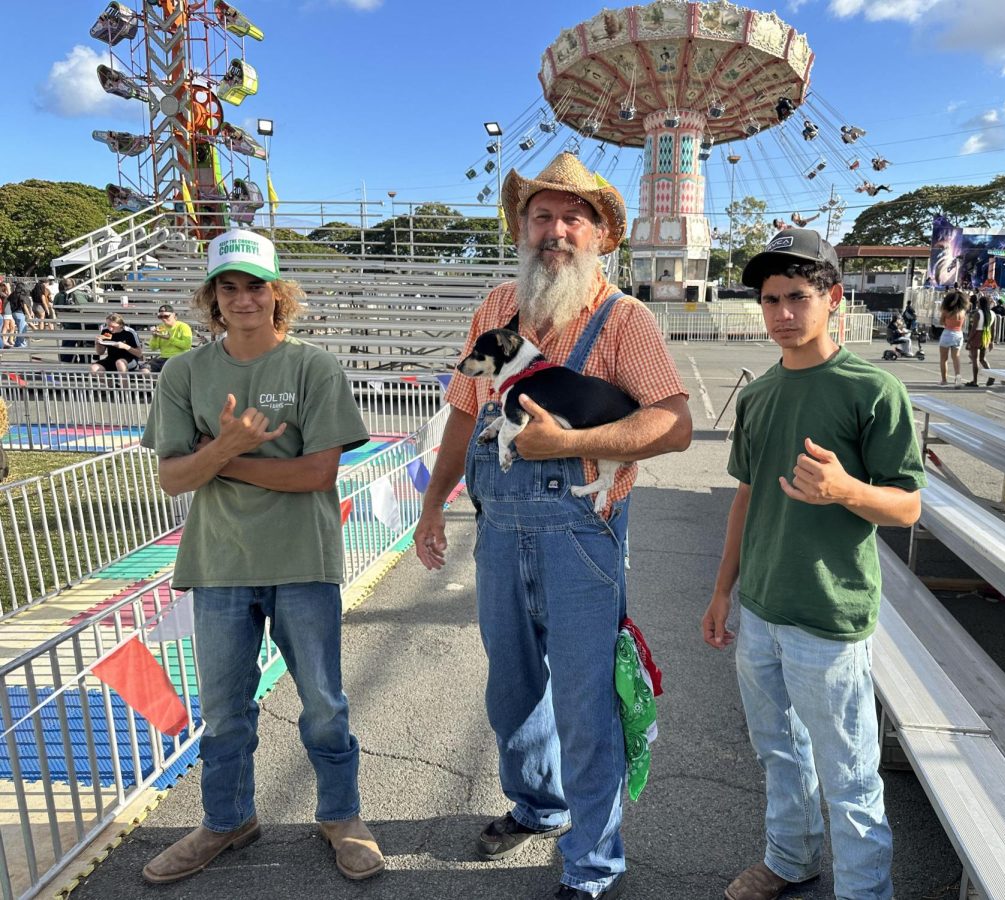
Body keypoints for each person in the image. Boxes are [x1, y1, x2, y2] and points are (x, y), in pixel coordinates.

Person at [413, 152, 691, 900]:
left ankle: (594, 866)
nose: (556, 230)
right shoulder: (499, 310)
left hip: (583, 537)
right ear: (521, 226)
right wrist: (434, 500)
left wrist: (567, 444)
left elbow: (675, 424)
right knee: (512, 690)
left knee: (584, 701)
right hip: (499, 530)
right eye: (542, 215)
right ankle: (539, 805)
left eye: (575, 217)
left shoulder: (622, 319)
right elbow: (467, 412)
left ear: (601, 233)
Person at [139, 228, 383, 884]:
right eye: (229, 287)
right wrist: (221, 453)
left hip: (303, 561)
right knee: (223, 711)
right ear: (211, 298)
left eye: (256, 286)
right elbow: (172, 478)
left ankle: (341, 814)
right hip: (219, 565)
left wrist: (221, 458)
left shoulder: (312, 368)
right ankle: (226, 820)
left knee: (325, 703)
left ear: (280, 295)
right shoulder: (185, 373)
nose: (243, 299)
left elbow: (317, 475)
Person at [702, 228, 924, 900]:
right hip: (762, 609)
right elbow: (744, 497)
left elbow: (908, 507)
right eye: (770, 300)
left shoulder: (873, 390)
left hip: (828, 616)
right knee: (781, 754)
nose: (782, 313)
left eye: (798, 296)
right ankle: (789, 858)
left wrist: (845, 491)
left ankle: (865, 893)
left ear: (833, 298)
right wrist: (722, 593)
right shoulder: (761, 394)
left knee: (848, 773)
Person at [147, 303, 194, 372]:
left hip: (179, 357)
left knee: (166, 368)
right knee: (145, 370)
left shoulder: (183, 326)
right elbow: (153, 348)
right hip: (163, 358)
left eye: (166, 316)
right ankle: (157, 383)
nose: (163, 319)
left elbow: (187, 345)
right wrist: (154, 337)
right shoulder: (160, 327)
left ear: (174, 315)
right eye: (160, 317)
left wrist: (169, 338)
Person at [938, 289, 967, 387]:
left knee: (943, 359)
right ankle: (958, 379)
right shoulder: (962, 312)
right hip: (958, 334)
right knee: (956, 358)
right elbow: (963, 325)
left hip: (947, 333)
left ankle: (944, 380)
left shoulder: (946, 311)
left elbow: (941, 322)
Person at [965, 294, 995, 387]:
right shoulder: (992, 314)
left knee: (975, 359)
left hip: (977, 336)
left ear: (980, 304)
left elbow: (974, 329)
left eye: (978, 302)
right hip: (986, 336)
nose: (977, 304)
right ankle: (991, 375)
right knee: (982, 359)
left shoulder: (978, 314)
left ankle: (975, 381)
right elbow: (993, 329)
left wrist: (969, 340)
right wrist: (992, 341)